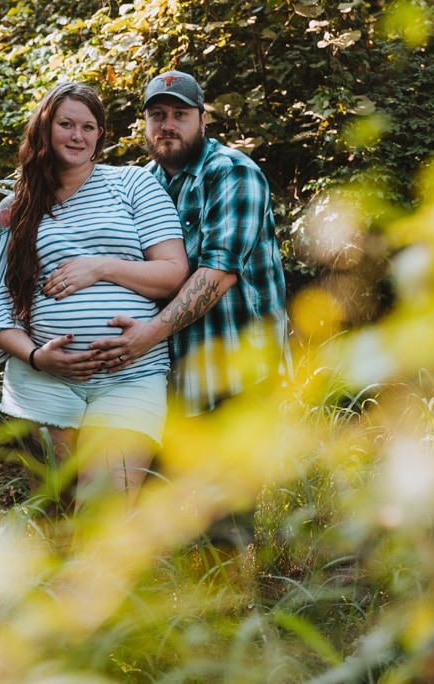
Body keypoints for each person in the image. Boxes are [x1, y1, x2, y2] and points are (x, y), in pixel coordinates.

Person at [88, 71, 292, 543]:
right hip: (174, 367)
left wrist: (145, 337)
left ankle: (237, 607)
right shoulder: (143, 184)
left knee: (226, 516)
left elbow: (216, 274)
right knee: (155, 497)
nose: (168, 125)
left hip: (235, 367)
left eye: (180, 114)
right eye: (157, 115)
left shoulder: (233, 173)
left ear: (202, 119)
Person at [0, 82, 188, 511]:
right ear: (44, 130)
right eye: (66, 124)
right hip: (44, 380)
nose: (77, 136)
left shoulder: (133, 185)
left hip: (131, 375)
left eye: (88, 127)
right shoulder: (13, 208)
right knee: (53, 507)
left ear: (100, 135)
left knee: (104, 508)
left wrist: (101, 266)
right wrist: (36, 356)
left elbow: (173, 273)